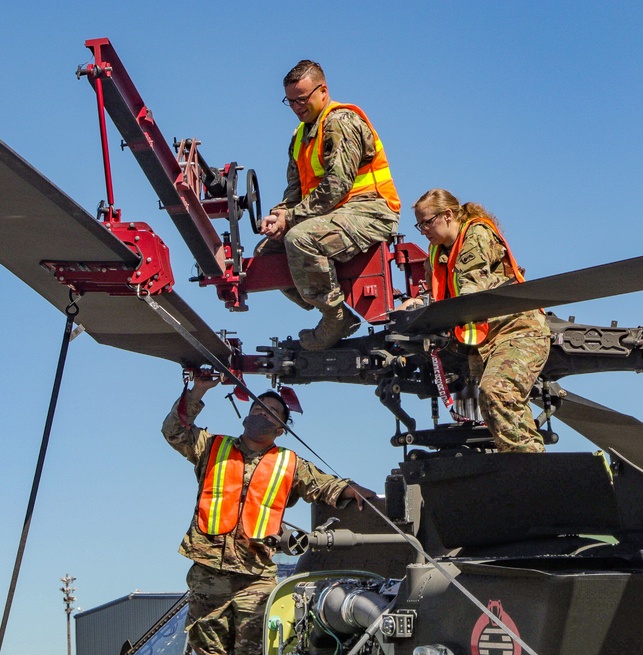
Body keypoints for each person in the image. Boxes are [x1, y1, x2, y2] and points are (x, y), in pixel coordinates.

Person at [162, 375, 375, 655]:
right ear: (247, 415)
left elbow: (324, 485)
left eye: (272, 411)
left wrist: (353, 490)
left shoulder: (290, 463)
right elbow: (174, 431)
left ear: (281, 428)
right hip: (208, 573)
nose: (263, 412)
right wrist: (199, 390)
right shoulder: (212, 447)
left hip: (256, 576)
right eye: (258, 407)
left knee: (255, 650)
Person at [259, 59, 400, 350]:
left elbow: (337, 185)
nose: (297, 107)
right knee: (265, 254)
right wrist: (280, 214)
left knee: (300, 238)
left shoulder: (340, 122)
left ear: (323, 91)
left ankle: (333, 316)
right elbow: (295, 191)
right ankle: (337, 311)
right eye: (290, 101)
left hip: (371, 211)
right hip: (333, 213)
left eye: (303, 99)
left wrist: (292, 218)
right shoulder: (299, 137)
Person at [401, 188, 550, 453]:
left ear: (448, 215)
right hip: (484, 341)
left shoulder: (476, 234)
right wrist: (417, 303)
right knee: (492, 407)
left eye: (427, 222)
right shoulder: (437, 252)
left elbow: (472, 288)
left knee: (497, 393)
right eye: (419, 225)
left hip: (517, 330)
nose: (423, 230)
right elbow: (439, 289)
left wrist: (429, 308)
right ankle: (522, 467)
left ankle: (532, 467)